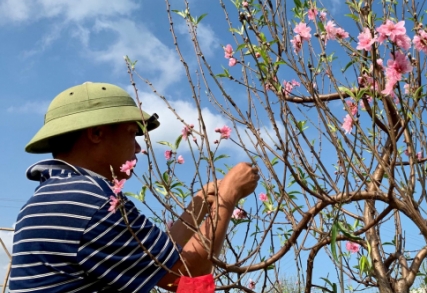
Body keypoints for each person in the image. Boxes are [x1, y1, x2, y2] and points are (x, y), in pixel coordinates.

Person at [9, 82, 259, 292]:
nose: (139, 147)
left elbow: (154, 260)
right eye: (132, 133)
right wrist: (229, 195)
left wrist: (200, 203)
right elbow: (187, 270)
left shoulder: (54, 196)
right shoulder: (92, 201)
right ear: (96, 133)